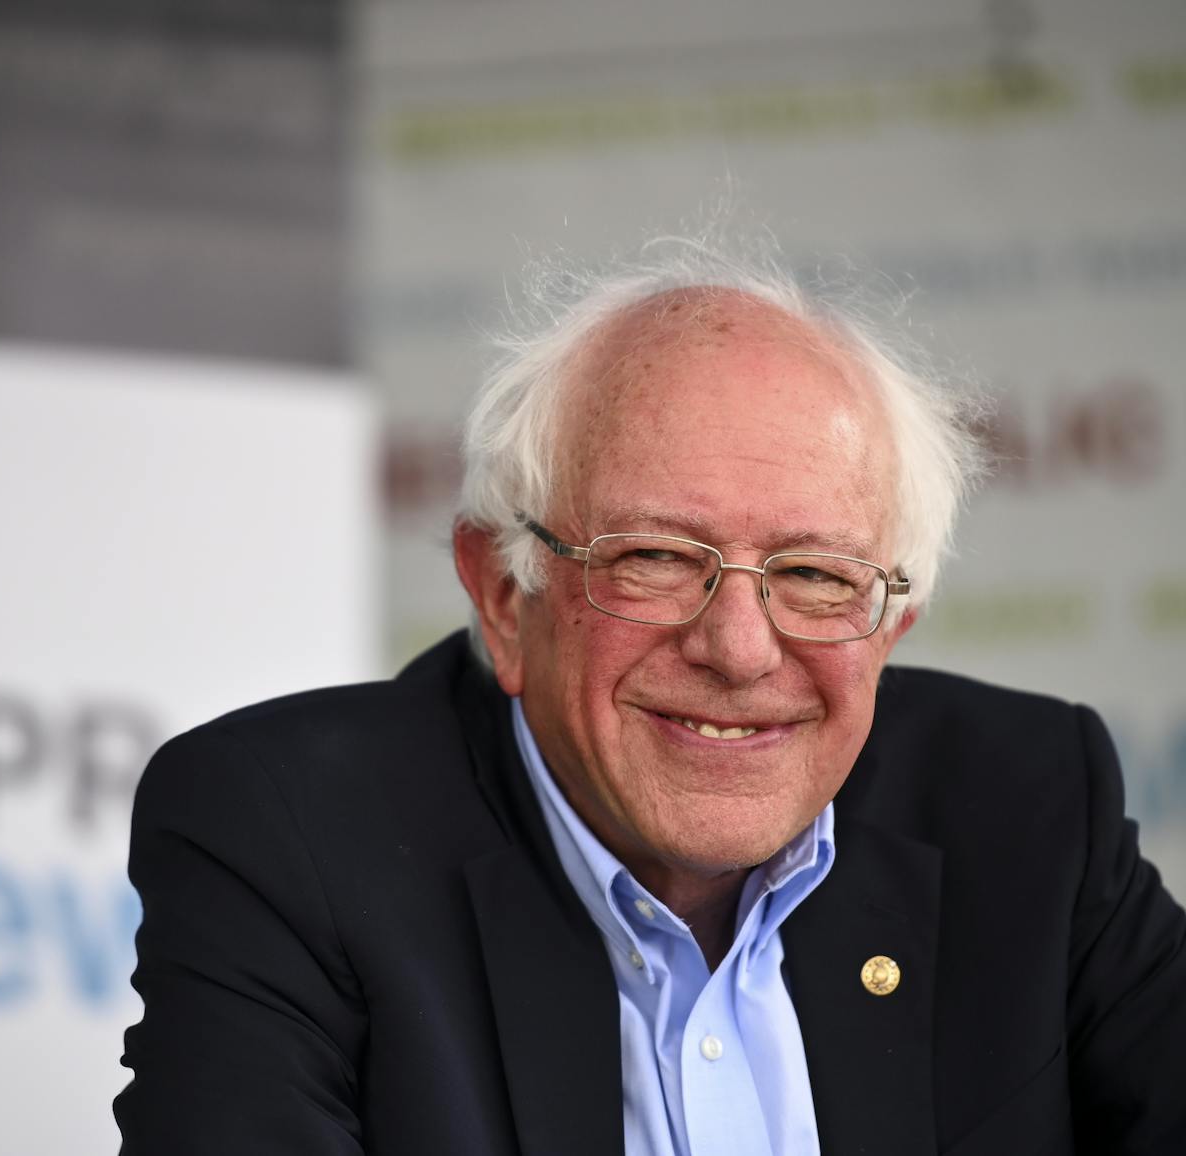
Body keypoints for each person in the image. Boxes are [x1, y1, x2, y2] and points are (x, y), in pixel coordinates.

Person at [114, 235, 1186, 1155]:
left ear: (889, 623)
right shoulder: (284, 831)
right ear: (501, 593)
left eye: (815, 576)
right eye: (654, 558)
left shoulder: (1032, 811)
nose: (736, 646)